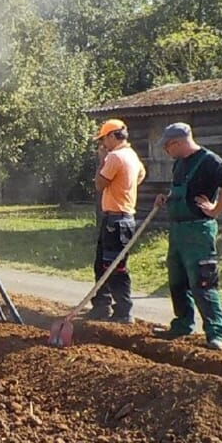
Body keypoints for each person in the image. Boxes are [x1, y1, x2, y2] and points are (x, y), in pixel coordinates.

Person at [153, 121, 222, 350]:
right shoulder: (179, 164)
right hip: (178, 230)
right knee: (177, 281)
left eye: (168, 146)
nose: (166, 151)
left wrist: (216, 209)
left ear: (180, 142)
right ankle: (183, 324)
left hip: (198, 231)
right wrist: (166, 198)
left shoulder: (209, 160)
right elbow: (182, 190)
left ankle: (216, 334)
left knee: (203, 282)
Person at [88, 118, 145, 322]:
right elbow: (140, 176)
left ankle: (123, 311)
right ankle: (102, 306)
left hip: (116, 220)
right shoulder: (133, 156)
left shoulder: (114, 157)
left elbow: (99, 184)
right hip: (122, 217)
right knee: (103, 265)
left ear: (113, 136)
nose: (103, 144)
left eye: (104, 139)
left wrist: (103, 160)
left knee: (115, 268)